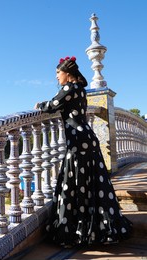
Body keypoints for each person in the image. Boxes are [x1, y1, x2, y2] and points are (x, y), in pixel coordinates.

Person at [34, 56, 132, 247]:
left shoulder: (69, 88)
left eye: (58, 73)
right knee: (93, 183)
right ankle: (100, 229)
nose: (56, 77)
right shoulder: (79, 89)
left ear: (67, 74)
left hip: (78, 142)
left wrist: (39, 105)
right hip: (87, 139)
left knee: (75, 183)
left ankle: (76, 231)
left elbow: (52, 105)